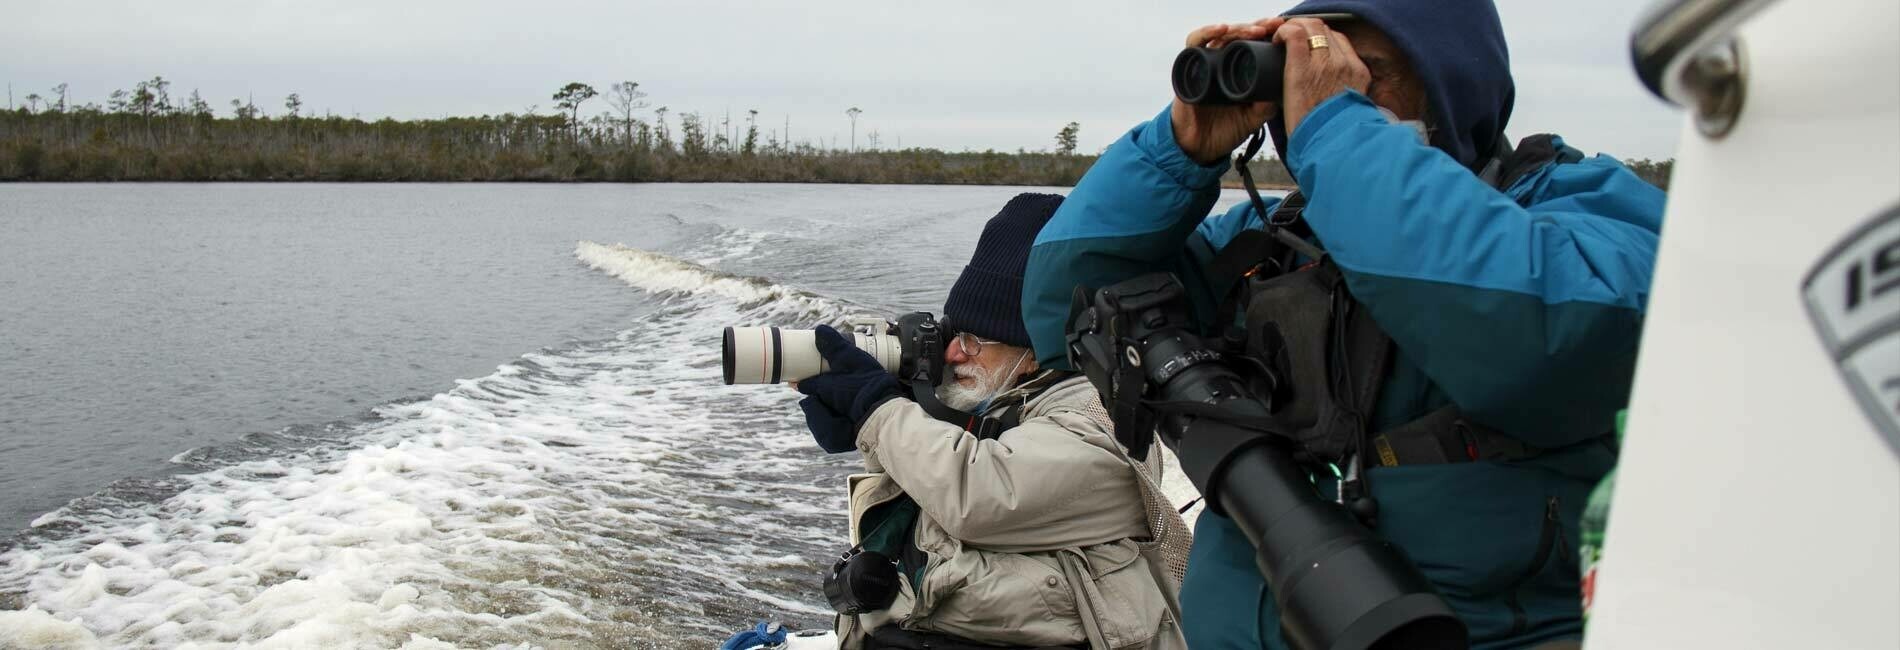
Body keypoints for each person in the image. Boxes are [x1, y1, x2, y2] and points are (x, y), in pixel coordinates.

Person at [1021, 1, 1666, 649]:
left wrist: (1335, 128)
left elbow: (1539, 340)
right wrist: (1177, 147)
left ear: (1452, 83)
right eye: (1307, 68)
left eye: (1364, 71)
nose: (1321, 88)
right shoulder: (1273, 240)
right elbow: (1065, 311)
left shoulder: (1580, 205)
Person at [792, 193, 1190, 650]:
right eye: (952, 332)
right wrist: (871, 426)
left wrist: (878, 413)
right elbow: (932, 488)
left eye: (972, 340)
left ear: (1036, 351)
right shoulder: (1008, 403)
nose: (952, 353)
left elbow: (978, 497)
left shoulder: (1103, 420)